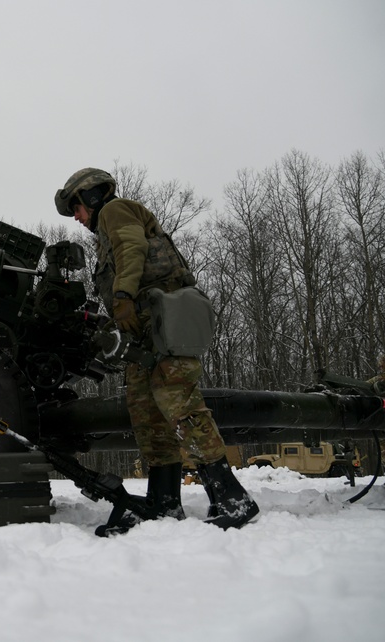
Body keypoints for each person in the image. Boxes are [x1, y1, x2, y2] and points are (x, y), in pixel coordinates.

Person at [54, 167, 259, 533]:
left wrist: (122, 296)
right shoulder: (103, 233)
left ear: (91, 197)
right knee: (147, 418)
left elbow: (133, 248)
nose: (77, 218)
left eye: (77, 208)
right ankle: (164, 504)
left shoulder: (116, 211)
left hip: (162, 329)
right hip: (142, 339)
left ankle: (232, 498)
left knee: (181, 407)